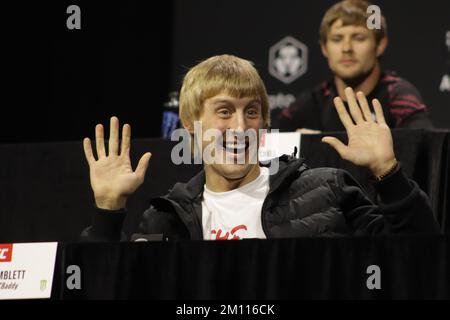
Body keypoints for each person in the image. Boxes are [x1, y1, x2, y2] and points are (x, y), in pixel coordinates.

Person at [81, 54, 438, 242]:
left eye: (251, 111)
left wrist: (388, 174)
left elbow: (418, 259)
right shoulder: (165, 219)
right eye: (224, 111)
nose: (239, 127)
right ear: (190, 126)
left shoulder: (328, 190)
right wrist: (107, 213)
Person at [278, 0, 433, 133]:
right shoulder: (312, 102)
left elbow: (428, 155)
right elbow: (268, 150)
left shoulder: (399, 98)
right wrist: (308, 145)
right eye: (337, 39)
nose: (346, 48)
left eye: (358, 38)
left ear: (380, 45)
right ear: (324, 48)